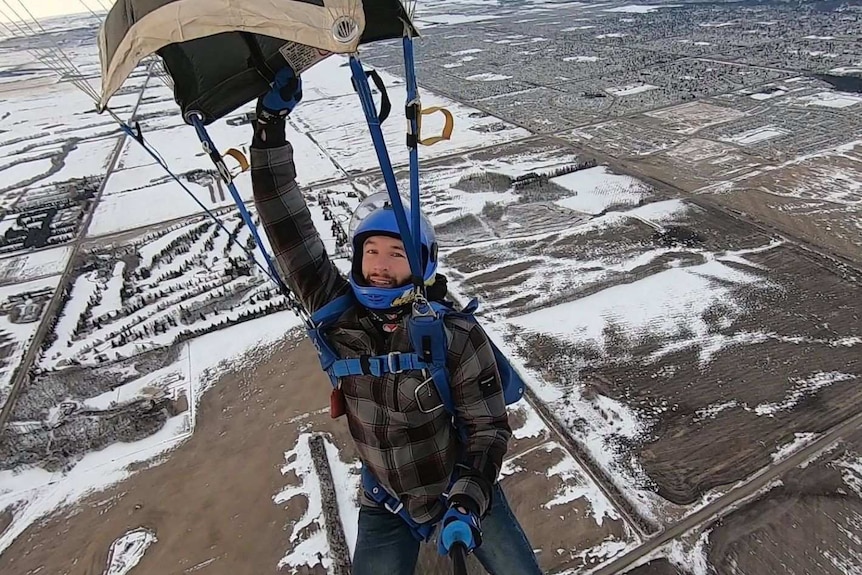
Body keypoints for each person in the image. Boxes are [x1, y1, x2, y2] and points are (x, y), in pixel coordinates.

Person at [250, 66, 542, 575]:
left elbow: (488, 429)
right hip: (384, 497)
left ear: (423, 263)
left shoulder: (454, 334)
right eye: (372, 252)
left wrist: (469, 501)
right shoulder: (336, 310)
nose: (381, 267)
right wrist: (269, 128)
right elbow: (286, 225)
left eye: (398, 254)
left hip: (457, 491)